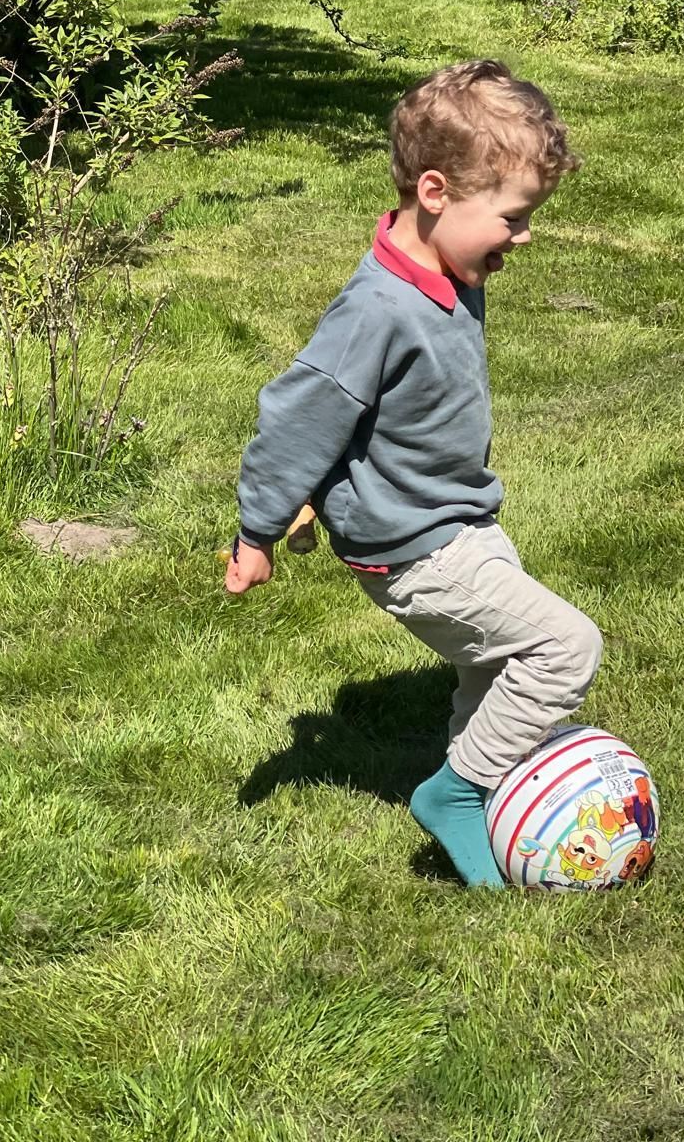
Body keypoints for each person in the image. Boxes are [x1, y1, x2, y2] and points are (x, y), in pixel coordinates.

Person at [225, 60, 602, 888]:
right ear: (435, 193)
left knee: (496, 665)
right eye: (512, 217)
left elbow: (367, 422)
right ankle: (457, 793)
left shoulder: (445, 264)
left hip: (456, 517)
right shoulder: (376, 309)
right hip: (413, 548)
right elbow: (303, 412)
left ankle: (490, 792)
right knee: (564, 647)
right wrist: (260, 526)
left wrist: (326, 490)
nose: (524, 236)